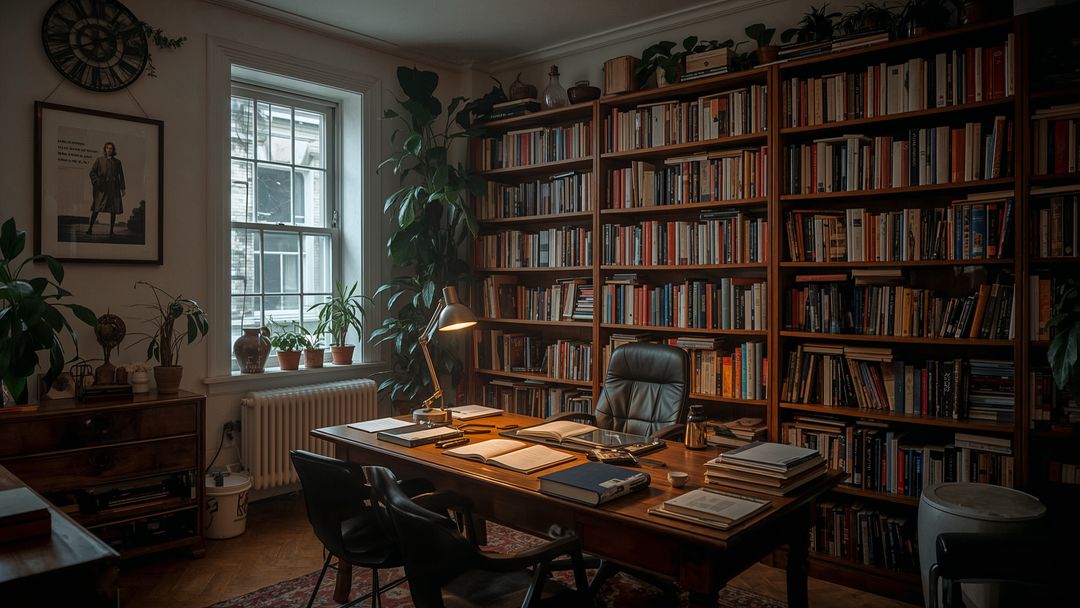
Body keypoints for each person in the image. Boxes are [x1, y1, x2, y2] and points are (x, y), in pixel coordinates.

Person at [87, 141, 125, 235]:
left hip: (114, 188)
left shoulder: (117, 162)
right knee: (96, 208)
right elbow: (92, 173)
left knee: (113, 210)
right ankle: (90, 229)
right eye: (107, 148)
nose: (109, 150)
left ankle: (111, 231)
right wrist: (97, 182)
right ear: (105, 149)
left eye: (111, 148)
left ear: (113, 150)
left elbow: (121, 176)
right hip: (102, 188)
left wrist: (122, 188)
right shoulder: (99, 160)